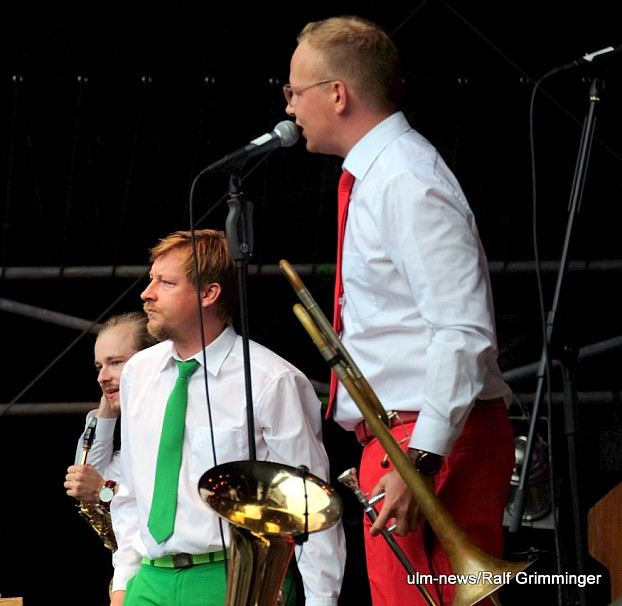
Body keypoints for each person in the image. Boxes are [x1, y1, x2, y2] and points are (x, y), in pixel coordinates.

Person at [284, 16, 515, 605]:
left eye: (294, 91)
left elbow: (462, 330)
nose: (289, 108)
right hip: (408, 438)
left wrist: (420, 461)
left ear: (338, 94)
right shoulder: (384, 175)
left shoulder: (406, 178)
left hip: (425, 441)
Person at [110, 229, 345, 606]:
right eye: (151, 279)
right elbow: (131, 489)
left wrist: (321, 601)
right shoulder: (138, 371)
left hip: (236, 577)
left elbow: (308, 508)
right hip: (149, 580)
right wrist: (123, 580)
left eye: (165, 283)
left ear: (209, 293)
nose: (146, 293)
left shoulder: (271, 379)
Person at [65, 312, 157, 507]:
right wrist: (105, 412)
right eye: (99, 367)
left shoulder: (182, 417)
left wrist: (102, 490)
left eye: (115, 362)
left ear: (153, 360)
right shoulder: (135, 431)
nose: (101, 377)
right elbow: (87, 487)